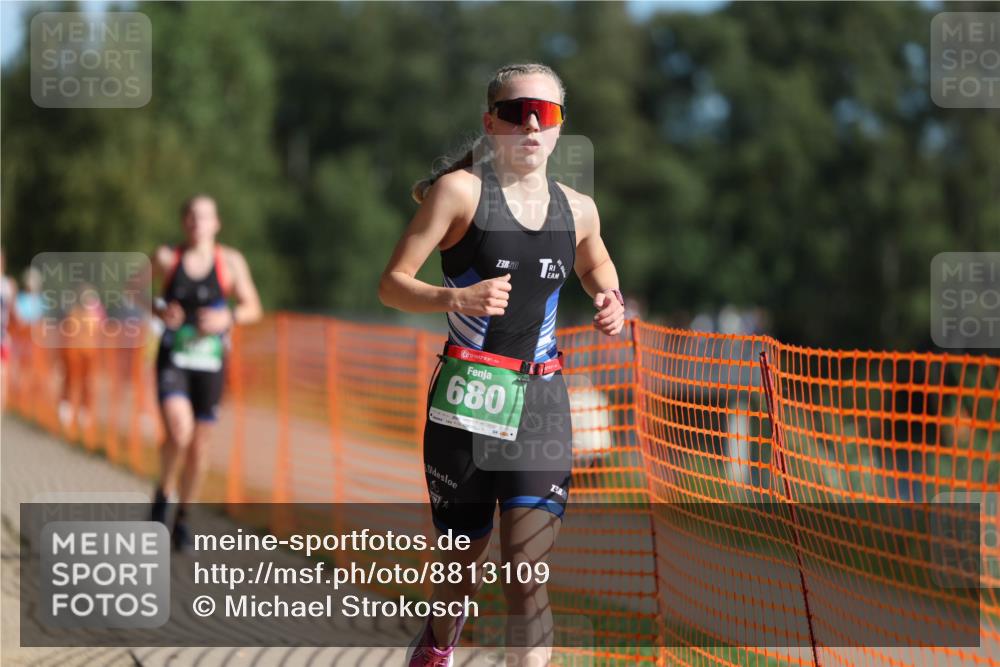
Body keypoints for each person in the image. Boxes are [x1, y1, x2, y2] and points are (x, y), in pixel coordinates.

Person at [379, 63, 625, 667]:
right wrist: (453, 298)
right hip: (466, 400)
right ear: (491, 123)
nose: (533, 124)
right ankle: (437, 646)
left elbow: (596, 265)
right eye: (518, 112)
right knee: (461, 564)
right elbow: (391, 284)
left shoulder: (580, 210)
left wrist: (610, 301)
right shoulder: (459, 194)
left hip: (540, 405)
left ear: (561, 127)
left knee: (526, 573)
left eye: (548, 113)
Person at [150, 194, 262, 550]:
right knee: (179, 431)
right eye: (192, 217)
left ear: (217, 224)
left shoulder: (229, 261)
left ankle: (183, 516)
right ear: (185, 222)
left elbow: (252, 307)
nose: (198, 223)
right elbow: (132, 290)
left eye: (205, 217)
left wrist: (226, 317)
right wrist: (159, 310)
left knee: (199, 446)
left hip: (211, 363)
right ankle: (163, 496)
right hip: (174, 358)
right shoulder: (167, 257)